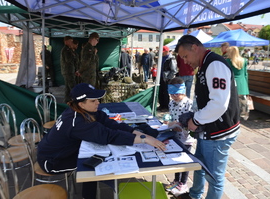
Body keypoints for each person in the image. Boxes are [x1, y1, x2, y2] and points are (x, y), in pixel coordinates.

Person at [37, 83, 166, 199]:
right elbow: (109, 136)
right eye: (93, 100)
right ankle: (88, 196)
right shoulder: (77, 122)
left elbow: (110, 124)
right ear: (81, 104)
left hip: (59, 150)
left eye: (97, 99)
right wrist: (144, 140)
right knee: (93, 165)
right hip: (53, 161)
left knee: (97, 157)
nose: (98, 102)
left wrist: (139, 134)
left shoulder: (82, 109)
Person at [176, 35, 240, 199]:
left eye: (185, 56)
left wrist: (195, 120)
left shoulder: (214, 64)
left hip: (219, 132)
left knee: (214, 177)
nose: (185, 61)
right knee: (200, 165)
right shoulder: (206, 64)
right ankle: (194, 195)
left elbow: (219, 103)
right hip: (209, 130)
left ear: (195, 48)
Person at [164, 77, 195, 197]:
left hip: (186, 138)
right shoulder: (171, 102)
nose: (173, 97)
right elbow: (172, 117)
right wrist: (169, 123)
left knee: (185, 160)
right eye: (171, 94)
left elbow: (192, 123)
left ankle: (183, 183)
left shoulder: (189, 104)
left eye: (176, 94)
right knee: (176, 159)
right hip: (175, 135)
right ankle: (176, 180)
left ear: (183, 91)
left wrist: (181, 127)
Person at [226, 46, 250, 120]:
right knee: (242, 103)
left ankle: (233, 117)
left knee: (232, 103)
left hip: (232, 84)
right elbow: (246, 74)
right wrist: (247, 88)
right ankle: (243, 115)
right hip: (242, 84)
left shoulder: (228, 61)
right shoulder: (244, 61)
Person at [157, 46, 177, 111]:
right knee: (160, 92)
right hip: (160, 77)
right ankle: (161, 105)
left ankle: (166, 107)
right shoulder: (161, 57)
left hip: (166, 78)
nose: (162, 53)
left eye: (163, 52)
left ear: (167, 51)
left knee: (165, 93)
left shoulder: (171, 58)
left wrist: (169, 78)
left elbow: (174, 70)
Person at [60, 36, 76, 103]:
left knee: (67, 88)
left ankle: (67, 100)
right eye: (71, 41)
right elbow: (68, 60)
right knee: (72, 86)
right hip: (68, 71)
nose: (72, 43)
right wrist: (73, 55)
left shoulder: (67, 49)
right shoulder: (67, 50)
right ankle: (75, 100)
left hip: (67, 71)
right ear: (66, 41)